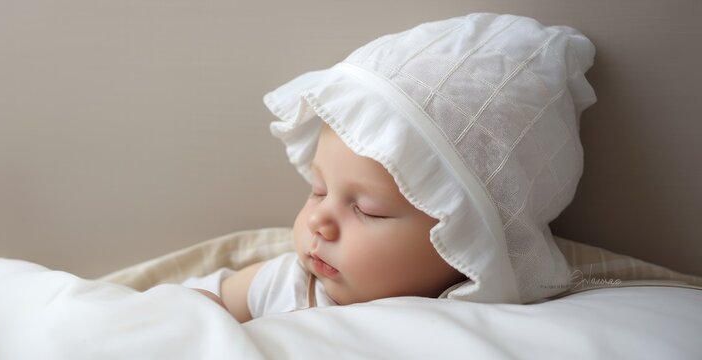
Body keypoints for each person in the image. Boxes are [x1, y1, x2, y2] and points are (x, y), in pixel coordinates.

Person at [187, 12, 597, 323]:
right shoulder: (284, 285)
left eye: (368, 210)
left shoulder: (475, 328)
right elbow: (186, 315)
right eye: (317, 189)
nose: (318, 221)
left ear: (464, 242)